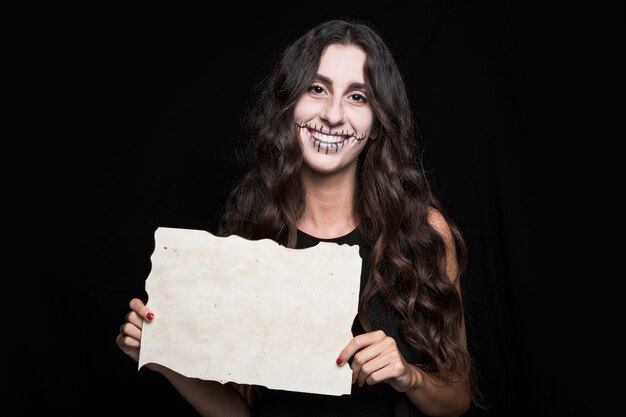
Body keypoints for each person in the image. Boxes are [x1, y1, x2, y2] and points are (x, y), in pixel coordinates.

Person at [116, 18, 482, 417]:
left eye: (358, 97)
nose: (333, 114)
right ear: (291, 103)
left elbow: (457, 398)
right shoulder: (252, 239)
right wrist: (164, 355)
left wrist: (409, 376)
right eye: (317, 89)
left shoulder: (423, 234)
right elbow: (244, 411)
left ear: (378, 124)